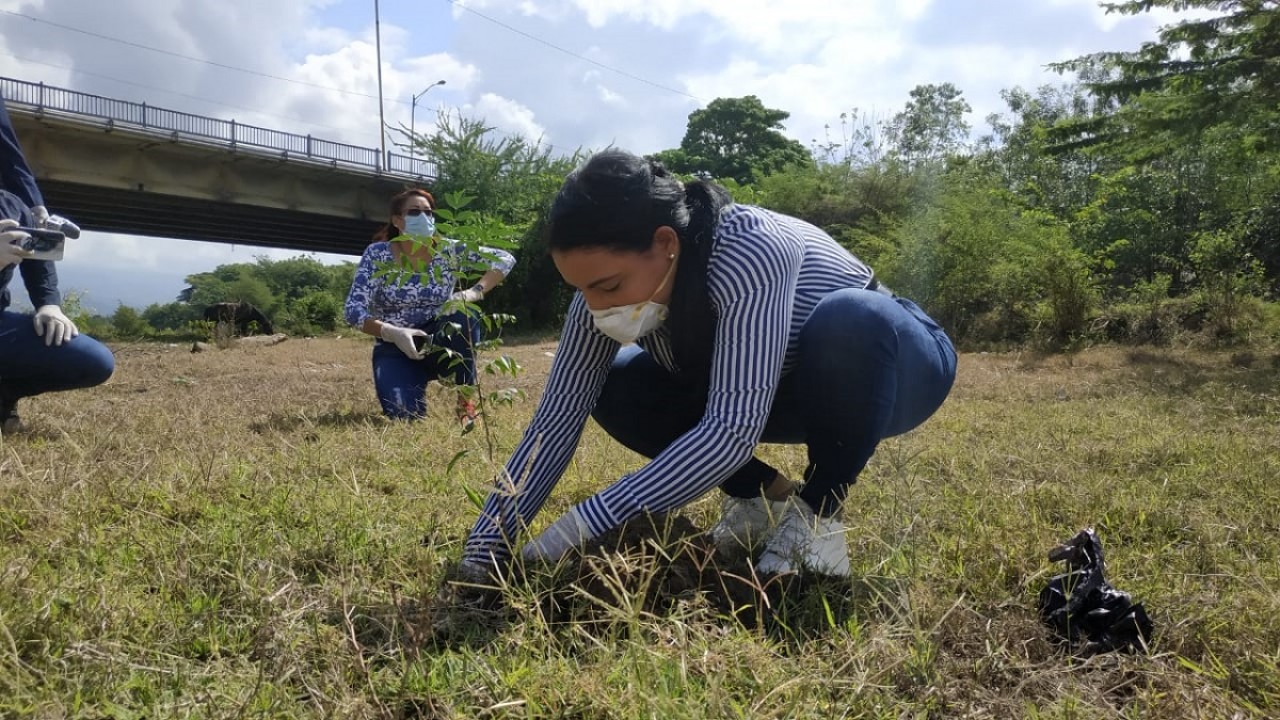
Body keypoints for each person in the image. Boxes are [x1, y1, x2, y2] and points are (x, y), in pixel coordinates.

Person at [459, 149, 957, 580]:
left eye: (608, 286)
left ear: (666, 244)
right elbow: (556, 419)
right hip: (773, 393)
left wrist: (580, 527)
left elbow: (730, 431)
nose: (594, 307)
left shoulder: (750, 249)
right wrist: (487, 547)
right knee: (617, 383)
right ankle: (766, 501)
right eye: (579, 289)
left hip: (890, 371)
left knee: (853, 318)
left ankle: (817, 516)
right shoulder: (599, 300)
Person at [344, 188, 515, 431]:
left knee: (464, 314)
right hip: (396, 346)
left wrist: (474, 291)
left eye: (429, 212)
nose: (423, 217)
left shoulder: (448, 250)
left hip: (442, 339)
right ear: (397, 220)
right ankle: (407, 387)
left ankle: (465, 401)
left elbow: (504, 259)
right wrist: (393, 333)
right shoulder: (377, 255)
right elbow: (353, 310)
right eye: (414, 212)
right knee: (404, 417)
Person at [0, 94, 115, 434]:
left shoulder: (11, 205)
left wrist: (49, 304)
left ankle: (2, 396)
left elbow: (39, 254)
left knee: (92, 360)